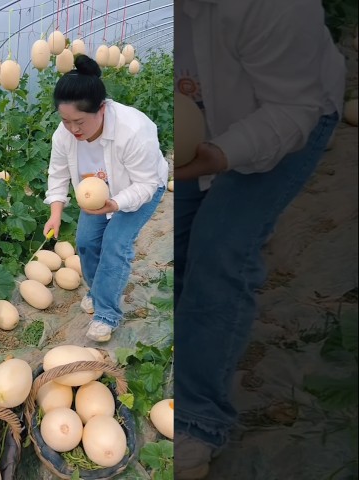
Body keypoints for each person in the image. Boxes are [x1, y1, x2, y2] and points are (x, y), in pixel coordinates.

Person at [173, 0, 346, 477]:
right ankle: (188, 360)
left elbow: (293, 108)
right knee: (179, 247)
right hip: (198, 122)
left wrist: (219, 154)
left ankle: (197, 417)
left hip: (289, 112)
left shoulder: (273, 6)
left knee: (221, 248)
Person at [42, 54, 169, 342]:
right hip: (96, 191)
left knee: (115, 243)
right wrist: (56, 211)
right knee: (86, 243)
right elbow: (58, 173)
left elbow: (146, 183)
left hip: (140, 188)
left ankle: (107, 314)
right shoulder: (63, 135)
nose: (73, 129)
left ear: (101, 109)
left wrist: (116, 204)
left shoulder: (133, 131)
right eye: (65, 121)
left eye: (79, 121)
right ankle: (97, 291)